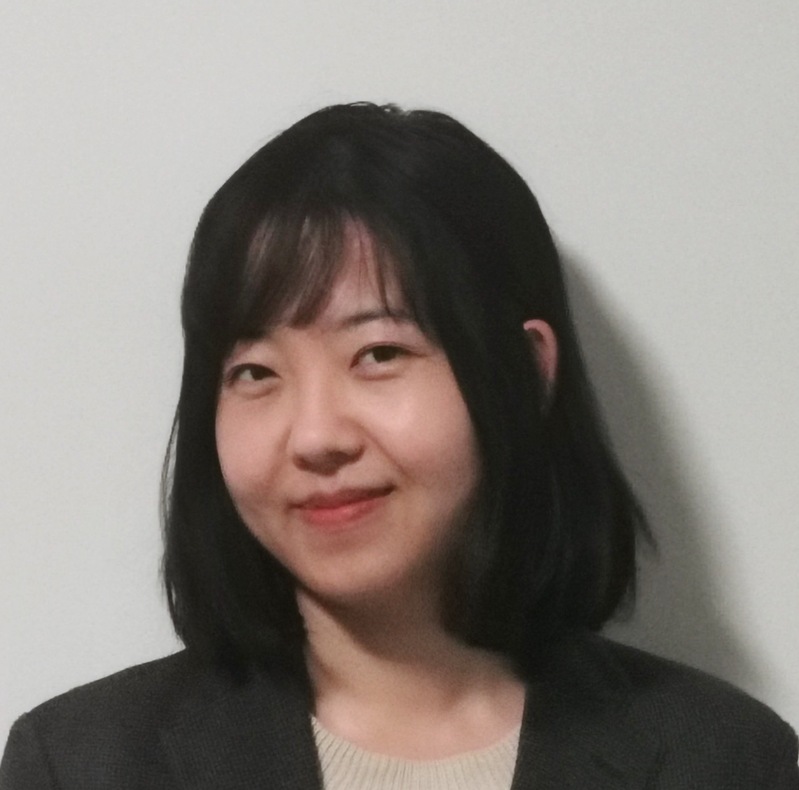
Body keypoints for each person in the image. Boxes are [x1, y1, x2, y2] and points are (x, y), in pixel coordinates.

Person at [1, 103, 796, 789]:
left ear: (523, 373)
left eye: (378, 353)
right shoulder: (79, 764)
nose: (315, 436)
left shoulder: (726, 762)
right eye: (255, 372)